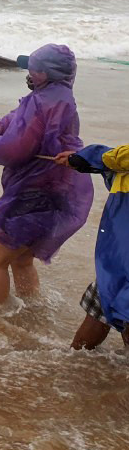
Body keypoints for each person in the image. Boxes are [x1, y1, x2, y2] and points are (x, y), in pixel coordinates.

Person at [0, 44, 94, 308]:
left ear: (46, 73)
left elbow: (16, 148)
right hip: (58, 187)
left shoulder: (44, 101)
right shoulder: (58, 95)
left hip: (38, 188)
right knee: (21, 258)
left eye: (34, 69)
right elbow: (16, 119)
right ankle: (32, 310)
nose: (29, 73)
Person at [55, 144, 129, 350]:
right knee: (105, 304)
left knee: (108, 302)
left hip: (121, 260)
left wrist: (90, 157)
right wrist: (86, 160)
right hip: (120, 259)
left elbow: (118, 159)